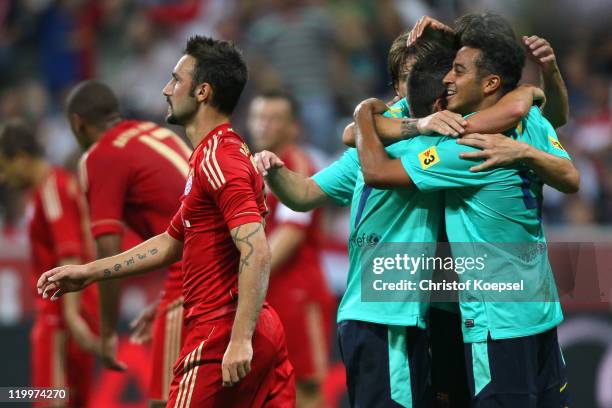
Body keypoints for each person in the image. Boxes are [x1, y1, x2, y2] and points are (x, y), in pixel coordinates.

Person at [254, 24, 561, 406]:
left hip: (436, 309)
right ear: (397, 87)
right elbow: (305, 193)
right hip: (382, 310)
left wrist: (532, 88)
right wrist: (276, 172)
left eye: (441, 72)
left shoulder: (439, 132)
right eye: (407, 78)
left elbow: (516, 105)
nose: (431, 82)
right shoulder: (379, 145)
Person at [38, 35, 295, 407]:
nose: (165, 89)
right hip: (247, 329)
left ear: (203, 92)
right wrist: (88, 272)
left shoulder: (220, 160)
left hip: (220, 333)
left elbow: (256, 252)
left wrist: (239, 339)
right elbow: (171, 242)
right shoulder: (210, 155)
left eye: (176, 80)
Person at [352, 17, 578, 407]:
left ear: (490, 82)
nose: (446, 80)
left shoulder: (462, 149)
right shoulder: (531, 121)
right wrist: (527, 135)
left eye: (457, 70)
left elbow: (377, 171)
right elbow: (570, 176)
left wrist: (360, 117)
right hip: (540, 310)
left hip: (496, 323)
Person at [65, 80, 190, 407]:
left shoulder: (100, 156)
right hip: (224, 262)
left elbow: (108, 251)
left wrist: (107, 334)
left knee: (164, 401)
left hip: (194, 273)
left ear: (78, 123)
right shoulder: (154, 132)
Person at [0, 121, 100, 407]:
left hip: (59, 314)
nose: (3, 178)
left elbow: (70, 254)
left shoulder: (51, 190)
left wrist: (70, 316)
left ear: (20, 157)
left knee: (51, 399)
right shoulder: (58, 184)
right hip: (71, 311)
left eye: (4, 166)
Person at [247, 90, 334, 408]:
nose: (263, 125)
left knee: (305, 385)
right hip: (261, 293)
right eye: (258, 117)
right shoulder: (249, 168)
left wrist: (243, 277)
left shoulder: (298, 166)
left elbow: (291, 234)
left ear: (293, 127)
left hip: (297, 292)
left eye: (273, 119)